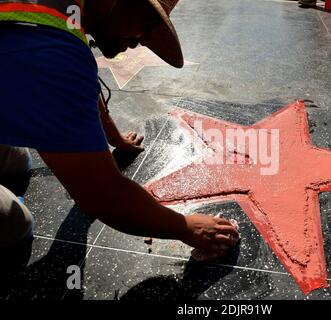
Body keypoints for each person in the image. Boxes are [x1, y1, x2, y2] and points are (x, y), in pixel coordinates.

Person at [0, 0, 239, 258]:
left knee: (17, 160)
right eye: (148, 22)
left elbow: (80, 89)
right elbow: (101, 195)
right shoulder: (54, 54)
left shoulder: (59, 13)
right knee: (15, 225)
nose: (141, 42)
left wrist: (114, 138)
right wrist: (186, 227)